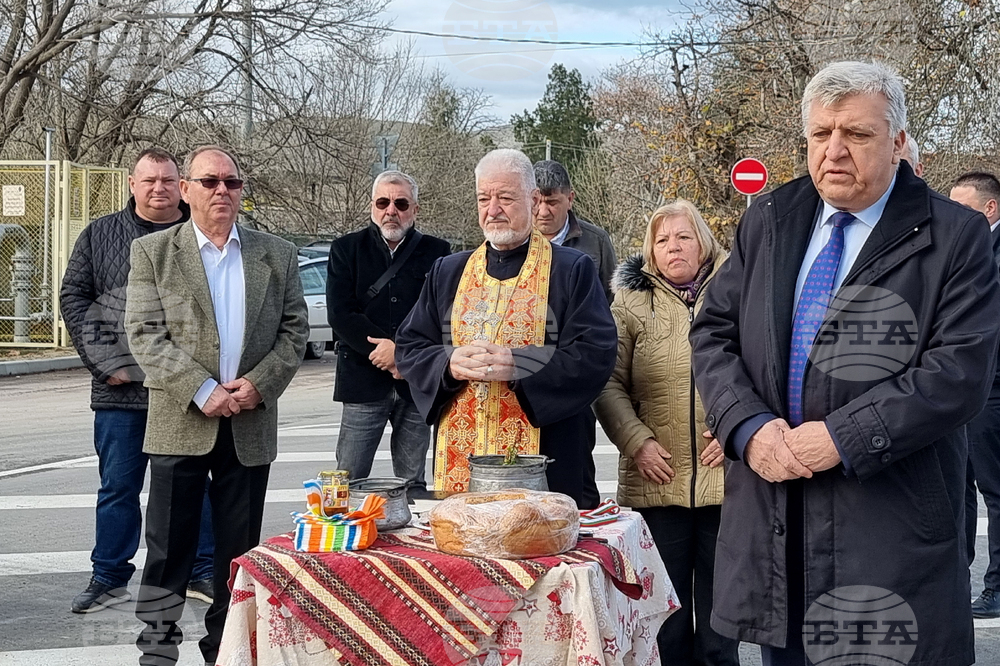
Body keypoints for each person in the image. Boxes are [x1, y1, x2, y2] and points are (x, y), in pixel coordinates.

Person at [690, 61, 1000, 666]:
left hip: (889, 532)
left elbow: (958, 372)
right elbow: (713, 331)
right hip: (779, 530)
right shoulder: (770, 220)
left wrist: (840, 437)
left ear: (900, 142)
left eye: (856, 134)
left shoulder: (956, 235)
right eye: (820, 134)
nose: (834, 150)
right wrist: (748, 429)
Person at [125, 145, 308, 666]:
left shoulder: (276, 253)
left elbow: (295, 331)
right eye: (209, 182)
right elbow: (144, 333)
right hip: (181, 420)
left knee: (238, 554)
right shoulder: (154, 253)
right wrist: (202, 390)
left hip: (249, 423)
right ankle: (157, 651)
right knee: (167, 552)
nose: (221, 191)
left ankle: (223, 651)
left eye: (231, 182)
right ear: (185, 190)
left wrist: (259, 384)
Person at [395, 149, 617, 509]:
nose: (493, 209)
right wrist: (448, 364)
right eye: (484, 198)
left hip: (549, 452)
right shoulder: (448, 271)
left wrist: (519, 366)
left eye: (505, 198)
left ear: (531, 200)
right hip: (461, 461)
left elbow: (596, 352)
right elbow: (410, 346)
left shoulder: (571, 269)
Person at [60, 147, 216, 614]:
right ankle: (109, 574)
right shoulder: (100, 235)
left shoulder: (204, 235)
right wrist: (105, 364)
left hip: (188, 390)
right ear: (132, 184)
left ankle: (201, 569)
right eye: (149, 180)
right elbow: (74, 298)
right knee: (118, 487)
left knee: (195, 484)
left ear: (182, 185)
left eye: (168, 180)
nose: (159, 188)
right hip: (120, 390)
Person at [594, 199, 737, 666]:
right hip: (656, 479)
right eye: (662, 239)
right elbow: (607, 382)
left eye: (683, 236)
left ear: (704, 242)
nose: (673, 247)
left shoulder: (738, 290)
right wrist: (637, 442)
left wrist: (736, 429)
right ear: (650, 252)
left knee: (723, 622)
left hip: (727, 480)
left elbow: (763, 371)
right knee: (664, 621)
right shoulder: (630, 302)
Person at [326, 171, 450, 498]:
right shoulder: (346, 249)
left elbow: (443, 315)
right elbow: (341, 313)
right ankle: (342, 546)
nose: (391, 210)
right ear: (372, 206)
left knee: (413, 486)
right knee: (347, 480)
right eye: (383, 202)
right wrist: (382, 352)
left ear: (415, 209)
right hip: (362, 381)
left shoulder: (439, 252)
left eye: (400, 203)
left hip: (416, 384)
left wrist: (403, 356)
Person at [950, 171, 1000, 618]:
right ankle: (955, 578)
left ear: (990, 209)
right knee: (958, 486)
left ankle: (998, 586)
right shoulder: (968, 250)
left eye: (963, 209)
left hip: (992, 392)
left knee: (994, 491)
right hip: (965, 393)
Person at [532, 159, 617, 301]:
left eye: (552, 202)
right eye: (536, 202)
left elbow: (612, 302)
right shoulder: (513, 241)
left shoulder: (597, 242)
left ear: (570, 199)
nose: (543, 212)